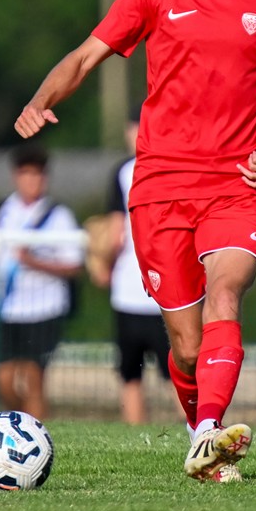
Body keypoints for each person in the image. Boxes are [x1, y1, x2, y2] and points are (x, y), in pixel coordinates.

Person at [13, 0, 256, 482]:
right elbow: (87, 55)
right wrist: (42, 99)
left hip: (237, 185)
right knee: (186, 344)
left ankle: (207, 433)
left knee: (225, 295)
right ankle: (202, 440)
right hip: (160, 189)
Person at [0, 145, 82, 420]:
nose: (33, 181)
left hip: (45, 308)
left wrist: (34, 262)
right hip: (6, 308)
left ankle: (35, 429)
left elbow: (74, 265)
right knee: (1, 377)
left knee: (33, 378)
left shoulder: (59, 215)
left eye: (38, 174)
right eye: (27, 174)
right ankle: (19, 423)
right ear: (16, 176)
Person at [89, 111, 172, 425]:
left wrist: (103, 263)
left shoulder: (125, 172)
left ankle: (137, 432)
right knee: (177, 372)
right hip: (167, 287)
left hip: (131, 287)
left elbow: (116, 234)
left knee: (131, 375)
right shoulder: (174, 167)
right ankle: (198, 430)